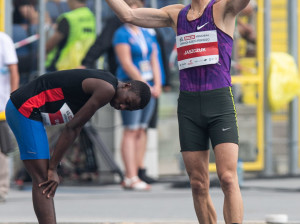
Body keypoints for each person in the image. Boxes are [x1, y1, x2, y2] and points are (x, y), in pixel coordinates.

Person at [105, 0, 249, 223]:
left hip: (219, 102)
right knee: (198, 183)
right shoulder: (175, 14)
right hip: (189, 106)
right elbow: (128, 16)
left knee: (228, 178)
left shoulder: (222, 8)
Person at [5, 68, 150, 223]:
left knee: (43, 179)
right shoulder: (106, 89)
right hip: (25, 108)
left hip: (29, 109)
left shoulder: (108, 81)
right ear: (126, 86)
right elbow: (72, 128)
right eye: (127, 102)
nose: (122, 107)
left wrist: (54, 166)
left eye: (127, 108)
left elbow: (74, 127)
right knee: (44, 180)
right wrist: (53, 168)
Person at [112, 0, 161, 190]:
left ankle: (138, 172)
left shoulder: (147, 32)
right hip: (131, 87)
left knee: (142, 129)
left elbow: (154, 59)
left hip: (149, 85)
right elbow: (126, 63)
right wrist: (144, 85)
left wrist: (156, 83)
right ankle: (130, 176)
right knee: (131, 129)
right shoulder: (121, 34)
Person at [46, 0, 96, 71]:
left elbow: (50, 45)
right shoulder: (92, 16)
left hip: (66, 66)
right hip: (88, 65)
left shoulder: (69, 18)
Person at [0, 32, 20, 203]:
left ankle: (1, 190)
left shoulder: (3, 39)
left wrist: (12, 98)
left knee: (2, 149)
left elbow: (14, 71)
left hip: (1, 104)